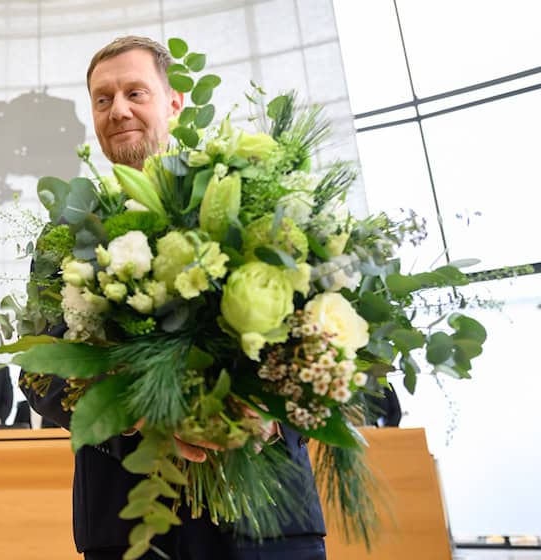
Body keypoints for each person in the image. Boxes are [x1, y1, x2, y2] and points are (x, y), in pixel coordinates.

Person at [21, 36, 326, 560]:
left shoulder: (251, 194)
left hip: (269, 518)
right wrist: (140, 417)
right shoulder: (61, 238)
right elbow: (36, 372)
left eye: (135, 93)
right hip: (129, 523)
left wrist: (270, 411)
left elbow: (329, 332)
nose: (118, 110)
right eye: (102, 99)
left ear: (174, 102)